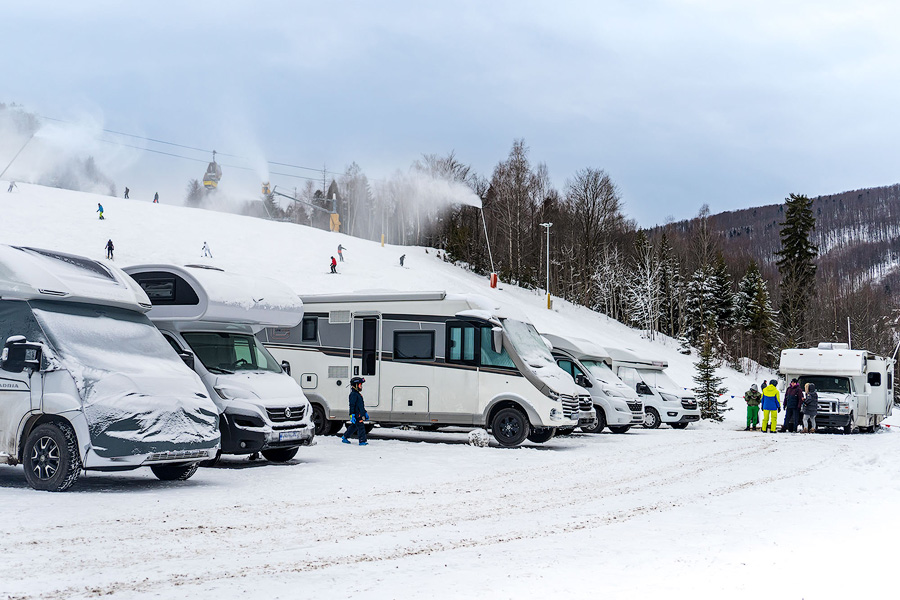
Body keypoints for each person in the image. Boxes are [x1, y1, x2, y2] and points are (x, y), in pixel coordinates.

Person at [342, 377, 369, 446]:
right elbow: (352, 405)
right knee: (361, 427)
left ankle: (345, 436)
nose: (361, 387)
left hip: (359, 414)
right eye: (360, 385)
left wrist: (364, 412)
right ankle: (362, 441)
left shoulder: (358, 394)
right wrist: (352, 414)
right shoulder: (353, 395)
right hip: (357, 414)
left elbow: (360, 406)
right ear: (356, 385)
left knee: (354, 426)